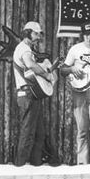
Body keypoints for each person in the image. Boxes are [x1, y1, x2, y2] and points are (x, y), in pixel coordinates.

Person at [60, 22, 90, 164]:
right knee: (82, 129)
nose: (89, 38)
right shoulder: (75, 49)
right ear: (83, 35)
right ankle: (82, 163)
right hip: (79, 91)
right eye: (86, 35)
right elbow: (63, 69)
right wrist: (72, 69)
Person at [12, 21, 52, 166]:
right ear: (27, 33)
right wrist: (46, 75)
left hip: (32, 94)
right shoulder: (25, 49)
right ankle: (20, 165)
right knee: (28, 131)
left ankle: (35, 163)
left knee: (38, 132)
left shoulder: (26, 49)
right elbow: (30, 65)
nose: (38, 37)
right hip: (27, 93)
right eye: (35, 34)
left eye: (39, 34)